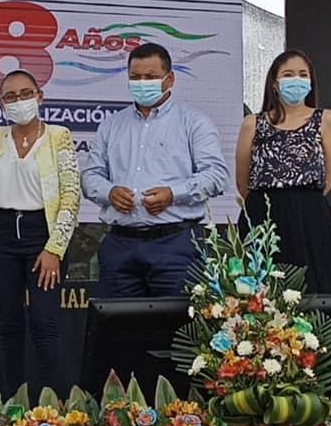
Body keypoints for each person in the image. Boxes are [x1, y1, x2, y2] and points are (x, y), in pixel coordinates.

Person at [82, 43, 229, 298]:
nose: (142, 83)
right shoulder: (111, 125)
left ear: (169, 79)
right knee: (117, 322)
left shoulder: (194, 122)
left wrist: (173, 194)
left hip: (176, 242)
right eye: (135, 77)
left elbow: (216, 175)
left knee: (179, 321)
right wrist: (109, 192)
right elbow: (89, 176)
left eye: (150, 77)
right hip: (120, 244)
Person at [0, 69, 80, 398]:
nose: (19, 101)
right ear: (1, 104)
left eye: (25, 93)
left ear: (40, 97)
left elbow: (71, 196)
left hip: (43, 234)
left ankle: (56, 404)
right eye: (10, 97)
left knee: (44, 322)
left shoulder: (58, 136)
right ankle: (13, 402)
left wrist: (55, 249)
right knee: (8, 325)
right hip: (2, 234)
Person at [235, 49, 331, 295]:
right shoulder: (253, 123)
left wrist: (302, 198)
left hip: (310, 216)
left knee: (316, 289)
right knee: (260, 293)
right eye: (288, 74)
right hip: (263, 215)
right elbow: (242, 181)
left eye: (303, 74)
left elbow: (329, 177)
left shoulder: (327, 119)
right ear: (274, 83)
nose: (296, 80)